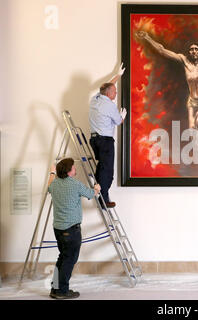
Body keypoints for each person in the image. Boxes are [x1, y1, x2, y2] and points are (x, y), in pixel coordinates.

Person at [47, 158, 101, 299]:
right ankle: (62, 291)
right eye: (73, 167)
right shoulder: (75, 184)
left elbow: (49, 186)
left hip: (58, 229)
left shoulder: (55, 184)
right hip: (71, 230)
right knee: (69, 259)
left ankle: (56, 288)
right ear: (69, 171)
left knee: (63, 257)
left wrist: (52, 172)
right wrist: (97, 189)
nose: (75, 169)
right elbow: (91, 194)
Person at [89, 63, 127, 208]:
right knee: (108, 172)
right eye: (115, 92)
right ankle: (103, 199)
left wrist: (118, 75)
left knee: (101, 169)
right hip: (105, 142)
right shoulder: (110, 105)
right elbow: (119, 122)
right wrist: (123, 115)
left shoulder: (96, 99)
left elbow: (107, 86)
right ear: (109, 93)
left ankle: (99, 192)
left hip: (94, 140)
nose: (116, 93)